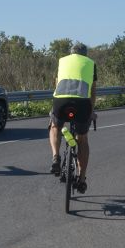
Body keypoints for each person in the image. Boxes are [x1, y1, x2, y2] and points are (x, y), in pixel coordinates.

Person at [49, 42, 98, 193]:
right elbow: (92, 91)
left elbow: (57, 83)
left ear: (71, 53)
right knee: (82, 139)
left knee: (55, 126)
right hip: (82, 103)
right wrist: (91, 112)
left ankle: (55, 156)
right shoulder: (90, 63)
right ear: (85, 54)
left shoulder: (62, 61)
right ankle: (81, 180)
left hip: (61, 101)